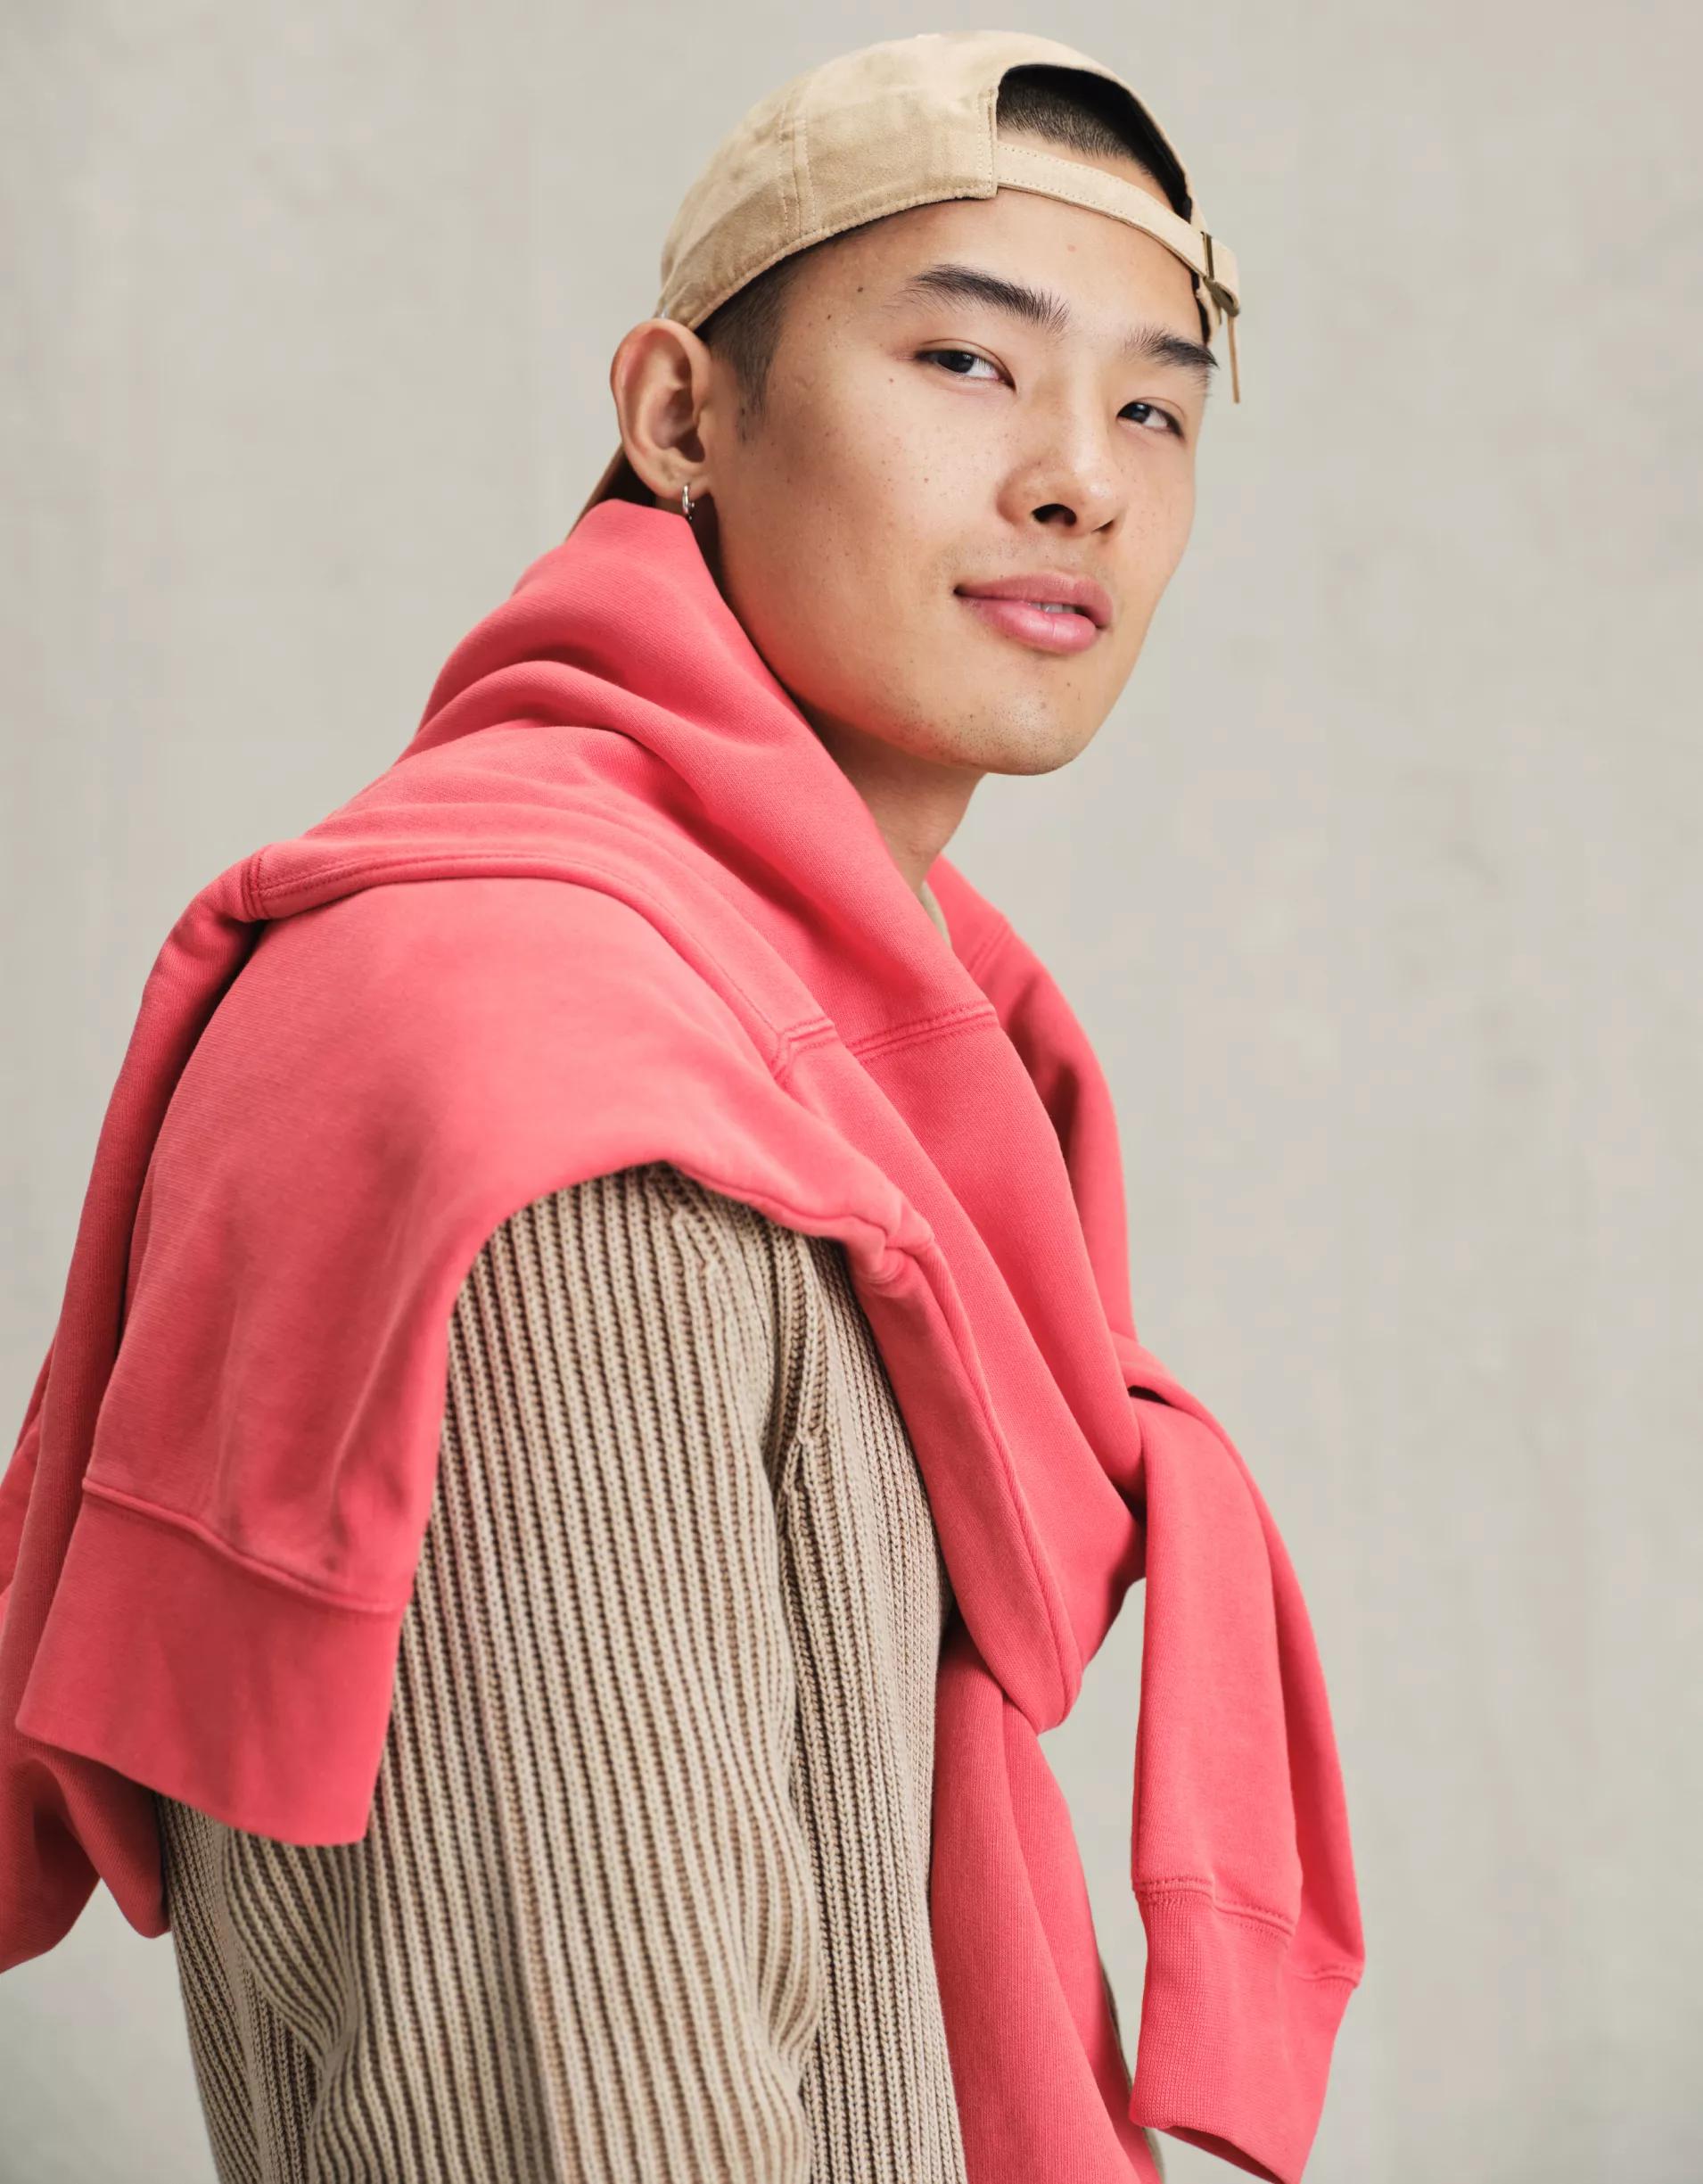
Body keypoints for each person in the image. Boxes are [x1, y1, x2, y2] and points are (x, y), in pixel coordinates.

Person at [2, 30, 1363, 2184]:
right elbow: (591, 2106)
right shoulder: (550, 1092)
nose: (1077, 480)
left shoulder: (850, 1041)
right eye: (966, 361)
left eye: (1152, 407)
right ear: (677, 415)